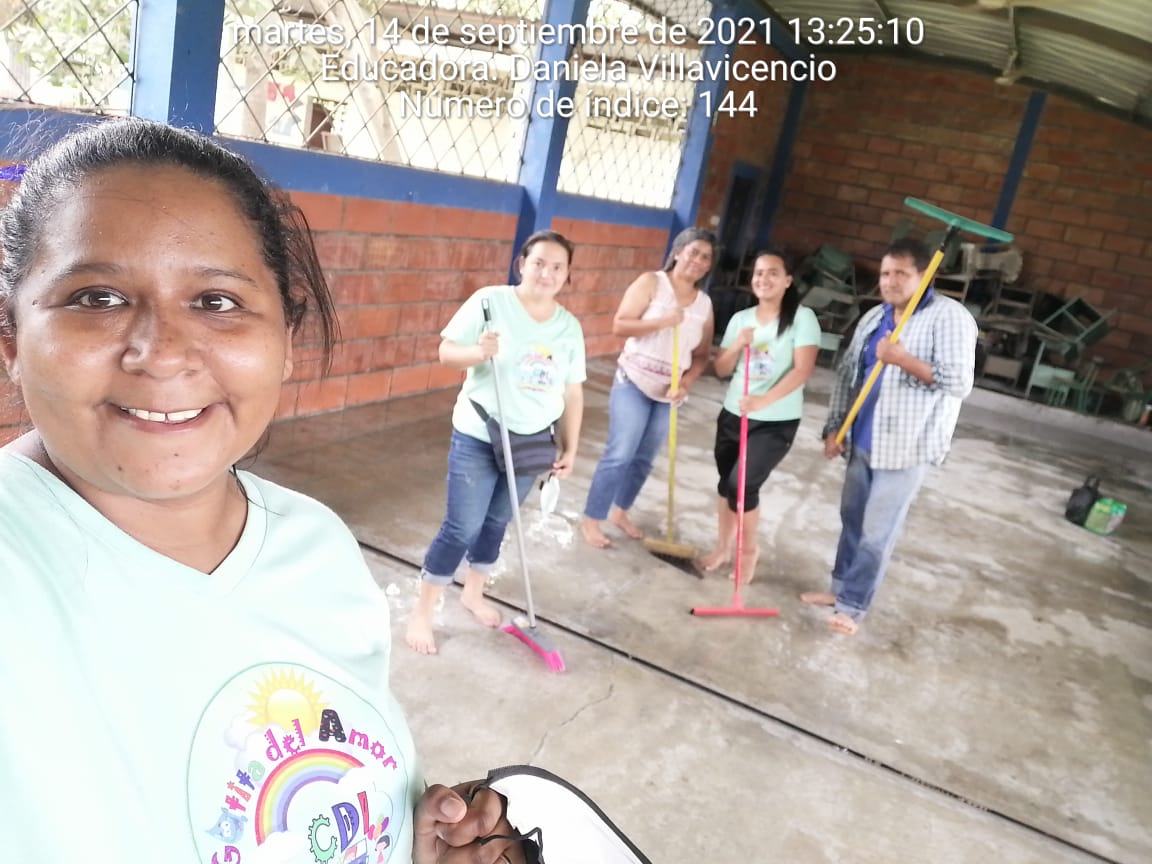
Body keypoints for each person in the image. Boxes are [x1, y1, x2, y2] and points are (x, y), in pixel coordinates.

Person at [0, 118, 531, 863]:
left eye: (216, 302)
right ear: (12, 339)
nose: (163, 353)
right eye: (97, 297)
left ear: (285, 338)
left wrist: (407, 839)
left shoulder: (315, 543)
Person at [405, 231, 585, 655]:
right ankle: (424, 610)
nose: (546, 273)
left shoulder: (568, 328)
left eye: (557, 267)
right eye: (538, 263)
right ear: (522, 264)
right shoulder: (490, 302)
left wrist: (571, 446)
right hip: (479, 432)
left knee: (498, 521)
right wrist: (478, 353)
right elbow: (446, 352)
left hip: (531, 441)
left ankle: (473, 592)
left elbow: (572, 391)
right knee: (462, 526)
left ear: (567, 275)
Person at [802, 237, 977, 635]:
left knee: (877, 532)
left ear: (924, 275)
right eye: (885, 273)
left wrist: (903, 359)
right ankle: (839, 589)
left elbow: (959, 383)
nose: (890, 281)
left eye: (901, 273)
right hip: (861, 438)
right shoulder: (873, 317)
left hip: (906, 447)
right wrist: (835, 427)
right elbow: (847, 375)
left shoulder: (950, 317)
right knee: (852, 520)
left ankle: (853, 606)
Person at [579, 228, 716, 548]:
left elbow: (701, 355)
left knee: (644, 458)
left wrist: (686, 384)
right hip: (633, 381)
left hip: (669, 393)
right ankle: (592, 518)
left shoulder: (704, 305)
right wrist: (661, 322)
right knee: (620, 453)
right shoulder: (652, 282)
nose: (698, 260)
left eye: (706, 257)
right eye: (693, 252)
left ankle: (620, 512)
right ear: (678, 252)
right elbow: (620, 325)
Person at [697, 249, 820, 583]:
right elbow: (722, 369)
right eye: (759, 273)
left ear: (788, 280)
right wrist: (737, 344)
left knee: (742, 485)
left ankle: (748, 551)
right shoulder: (741, 319)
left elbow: (803, 370)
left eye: (773, 273)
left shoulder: (802, 318)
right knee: (726, 484)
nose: (763, 279)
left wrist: (764, 400)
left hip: (775, 421)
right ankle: (722, 548)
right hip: (733, 413)